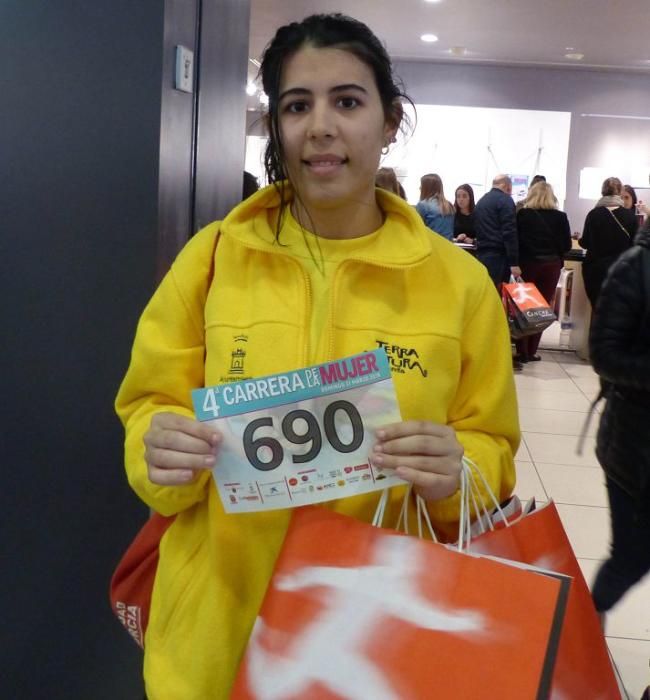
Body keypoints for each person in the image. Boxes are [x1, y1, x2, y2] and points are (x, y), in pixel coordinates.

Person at [115, 13, 519, 698]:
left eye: (348, 101)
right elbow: (147, 407)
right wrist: (156, 450)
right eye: (297, 105)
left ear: (390, 121)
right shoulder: (213, 259)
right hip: (216, 643)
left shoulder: (457, 286)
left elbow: (492, 445)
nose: (321, 126)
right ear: (276, 126)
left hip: (376, 648)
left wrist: (458, 470)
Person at [589, 217, 650, 629]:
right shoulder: (636, 267)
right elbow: (604, 354)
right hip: (636, 448)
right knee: (631, 557)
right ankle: (582, 637)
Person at [514, 182, 571, 362]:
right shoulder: (560, 217)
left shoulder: (523, 215)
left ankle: (522, 350)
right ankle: (532, 351)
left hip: (529, 265)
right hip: (551, 265)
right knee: (542, 308)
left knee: (525, 307)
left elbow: (517, 241)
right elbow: (567, 245)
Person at [579, 177, 638, 308]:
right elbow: (634, 246)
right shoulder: (630, 217)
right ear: (619, 194)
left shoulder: (593, 215)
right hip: (620, 272)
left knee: (598, 309)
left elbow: (586, 242)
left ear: (602, 192)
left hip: (595, 271)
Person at [474, 174, 521, 287]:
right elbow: (509, 232)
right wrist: (514, 262)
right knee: (497, 292)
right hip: (498, 256)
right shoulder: (505, 200)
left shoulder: (482, 201)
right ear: (507, 186)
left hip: (481, 254)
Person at [415, 173, 455, 240]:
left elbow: (417, 230)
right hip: (448, 247)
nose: (420, 188)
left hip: (432, 246)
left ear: (427, 188)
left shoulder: (423, 205)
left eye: (422, 185)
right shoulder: (449, 205)